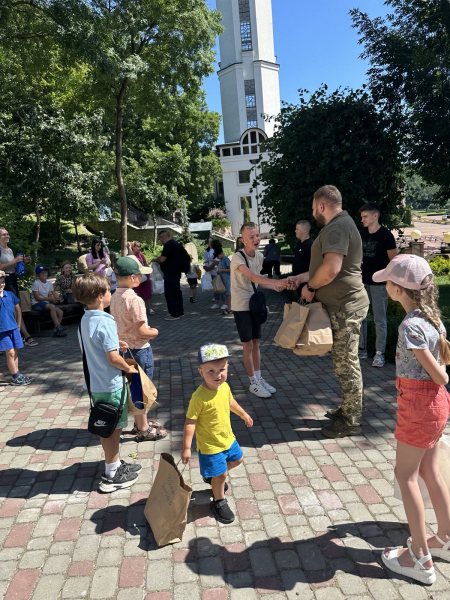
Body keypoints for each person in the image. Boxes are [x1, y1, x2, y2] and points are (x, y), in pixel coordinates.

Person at [371, 255, 450, 585]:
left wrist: (440, 374)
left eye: (388, 281)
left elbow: (440, 375)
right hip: (434, 409)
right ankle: (445, 539)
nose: (385, 285)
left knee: (405, 477)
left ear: (398, 288)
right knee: (428, 470)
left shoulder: (410, 326)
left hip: (419, 407)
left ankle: (419, 558)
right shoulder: (432, 319)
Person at [287, 186, 369, 438]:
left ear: (321, 205)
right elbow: (329, 268)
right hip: (342, 304)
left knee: (347, 365)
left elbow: (332, 269)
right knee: (342, 363)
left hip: (345, 306)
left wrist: (310, 287)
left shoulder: (336, 227)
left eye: (314, 209)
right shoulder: (340, 225)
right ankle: (348, 408)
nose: (314, 214)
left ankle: (351, 420)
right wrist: (301, 278)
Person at [72, 274, 142, 493]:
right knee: (113, 430)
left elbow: (96, 345)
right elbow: (113, 358)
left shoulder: (85, 318)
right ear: (101, 296)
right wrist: (128, 368)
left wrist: (114, 343)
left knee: (105, 425)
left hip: (94, 383)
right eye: (109, 291)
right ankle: (111, 474)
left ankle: (114, 463)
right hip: (111, 384)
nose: (112, 293)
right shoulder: (105, 320)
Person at [181, 343, 253, 524]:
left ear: (227, 367)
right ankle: (219, 501)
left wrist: (243, 413)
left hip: (228, 439)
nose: (217, 375)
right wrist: (186, 448)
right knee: (221, 476)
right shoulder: (199, 397)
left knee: (238, 459)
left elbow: (230, 402)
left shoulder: (225, 387)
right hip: (210, 446)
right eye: (210, 371)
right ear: (200, 372)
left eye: (221, 369)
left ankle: (213, 477)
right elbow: (190, 423)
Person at [110, 256, 167, 442]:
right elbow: (141, 331)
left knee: (133, 386)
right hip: (139, 350)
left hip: (123, 349)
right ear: (133, 277)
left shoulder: (113, 296)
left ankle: (139, 422)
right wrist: (155, 331)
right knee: (141, 389)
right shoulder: (135, 300)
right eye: (140, 274)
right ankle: (143, 428)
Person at [231, 221, 287, 399]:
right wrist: (276, 281)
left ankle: (259, 378)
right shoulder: (237, 257)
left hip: (254, 304)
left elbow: (259, 282)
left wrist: (276, 287)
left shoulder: (259, 257)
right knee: (247, 344)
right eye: (251, 237)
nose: (256, 239)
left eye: (257, 235)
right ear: (243, 240)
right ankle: (253, 383)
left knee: (256, 342)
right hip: (241, 306)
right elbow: (252, 276)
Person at [358, 203, 398, 368]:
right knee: (360, 318)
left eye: (365, 217)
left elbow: (394, 262)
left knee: (379, 320)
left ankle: (380, 353)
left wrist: (390, 281)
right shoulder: (361, 234)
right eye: (361, 217)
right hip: (363, 282)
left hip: (380, 284)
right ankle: (362, 349)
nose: (362, 220)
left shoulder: (386, 236)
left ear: (375, 216)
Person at [0, 227, 37, 346]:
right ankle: (25, 336)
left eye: (8, 234)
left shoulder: (9, 250)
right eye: (4, 234)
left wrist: (23, 261)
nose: (7, 236)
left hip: (12, 279)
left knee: (15, 306)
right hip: (2, 280)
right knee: (14, 307)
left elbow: (13, 267)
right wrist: (15, 261)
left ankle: (19, 335)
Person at [0, 270, 31, 385]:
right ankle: (15, 376)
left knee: (15, 351)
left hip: (13, 328)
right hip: (2, 330)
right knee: (10, 352)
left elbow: (18, 310)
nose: (1, 284)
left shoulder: (10, 295)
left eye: (2, 282)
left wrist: (18, 326)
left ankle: (17, 374)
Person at [151, 231, 184, 321]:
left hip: (170, 272)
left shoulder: (168, 245)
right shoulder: (176, 244)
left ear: (162, 237)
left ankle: (174, 314)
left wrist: (154, 259)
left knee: (169, 293)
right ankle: (180, 312)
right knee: (177, 292)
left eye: (159, 239)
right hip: (177, 272)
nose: (160, 241)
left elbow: (162, 259)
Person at [31, 265, 67, 337]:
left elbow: (53, 293)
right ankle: (57, 325)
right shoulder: (36, 283)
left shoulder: (49, 283)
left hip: (46, 304)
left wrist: (59, 298)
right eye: (41, 273)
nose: (44, 274)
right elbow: (37, 298)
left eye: (45, 272)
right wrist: (50, 299)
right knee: (52, 306)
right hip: (37, 304)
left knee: (60, 312)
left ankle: (56, 332)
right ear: (38, 275)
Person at [127, 240, 154, 315]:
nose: (139, 248)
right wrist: (129, 247)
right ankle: (139, 309)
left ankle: (150, 308)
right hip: (136, 278)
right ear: (133, 247)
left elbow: (145, 264)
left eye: (140, 246)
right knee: (137, 293)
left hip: (145, 276)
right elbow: (130, 257)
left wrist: (150, 270)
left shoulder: (141, 255)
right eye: (137, 246)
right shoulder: (130, 255)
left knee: (147, 291)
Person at [292, 221, 314, 292]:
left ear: (304, 230)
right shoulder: (300, 243)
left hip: (306, 284)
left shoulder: (310, 244)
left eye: (297, 229)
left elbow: (314, 266)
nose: (295, 231)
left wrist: (310, 287)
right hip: (298, 282)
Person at [204, 240, 227, 310]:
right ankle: (216, 303)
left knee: (221, 287)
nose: (209, 244)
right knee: (215, 288)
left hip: (216, 272)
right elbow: (211, 260)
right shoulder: (212, 250)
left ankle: (224, 303)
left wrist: (208, 268)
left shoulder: (218, 250)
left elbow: (216, 261)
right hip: (212, 272)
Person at [217, 249, 232, 315]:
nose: (217, 257)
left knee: (229, 294)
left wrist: (222, 270)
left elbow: (231, 269)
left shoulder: (226, 259)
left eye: (218, 255)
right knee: (227, 294)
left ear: (221, 254)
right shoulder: (220, 260)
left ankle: (229, 309)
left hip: (228, 279)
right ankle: (230, 307)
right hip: (224, 280)